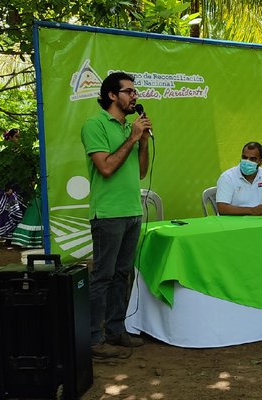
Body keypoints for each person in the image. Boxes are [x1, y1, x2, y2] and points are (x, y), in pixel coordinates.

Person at [81, 72, 151, 359]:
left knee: (123, 274)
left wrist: (142, 141)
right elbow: (106, 168)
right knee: (103, 276)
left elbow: (141, 172)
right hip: (108, 214)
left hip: (133, 211)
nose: (135, 96)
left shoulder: (129, 128)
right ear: (112, 95)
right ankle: (94, 339)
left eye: (135, 92)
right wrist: (133, 137)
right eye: (129, 91)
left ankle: (116, 330)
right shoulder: (94, 125)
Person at [216, 142, 262, 215]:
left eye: (252, 159)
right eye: (244, 157)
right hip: (234, 223)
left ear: (261, 162)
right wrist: (252, 211)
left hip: (259, 221)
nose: (247, 161)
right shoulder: (227, 177)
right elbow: (222, 208)